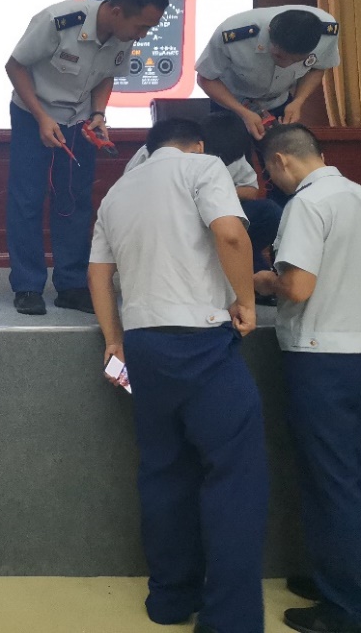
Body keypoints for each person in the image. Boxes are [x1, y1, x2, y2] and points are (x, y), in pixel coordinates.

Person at [89, 118, 268, 633]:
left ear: (149, 148)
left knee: (163, 471)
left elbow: (98, 273)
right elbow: (230, 233)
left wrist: (114, 341)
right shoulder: (203, 167)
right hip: (202, 339)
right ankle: (230, 621)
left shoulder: (118, 192)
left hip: (144, 345)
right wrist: (246, 301)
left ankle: (169, 600)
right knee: (235, 476)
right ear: (197, 144)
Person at [253, 124, 361, 633]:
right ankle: (335, 578)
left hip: (318, 358)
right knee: (344, 475)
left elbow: (298, 287)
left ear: (280, 161)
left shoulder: (307, 203)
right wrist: (348, 279)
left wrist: (265, 280)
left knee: (332, 482)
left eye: (269, 171)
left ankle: (352, 610)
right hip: (360, 355)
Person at [5, 0, 169, 315]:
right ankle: (27, 286)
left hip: (79, 120)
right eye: (141, 27)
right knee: (27, 200)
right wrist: (41, 118)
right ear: (117, 11)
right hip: (33, 114)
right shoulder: (59, 21)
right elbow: (15, 66)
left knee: (74, 201)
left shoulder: (124, 34)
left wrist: (98, 113)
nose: (142, 35)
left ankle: (71, 284)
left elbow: (106, 75)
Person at [125, 112, 281, 274]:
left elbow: (251, 191)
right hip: (164, 218)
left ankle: (237, 262)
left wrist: (217, 193)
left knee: (268, 212)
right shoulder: (153, 152)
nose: (220, 160)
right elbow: (129, 195)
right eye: (216, 155)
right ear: (200, 144)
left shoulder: (232, 151)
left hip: (211, 216)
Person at [195, 6, 340, 141]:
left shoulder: (327, 33)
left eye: (297, 61)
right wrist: (243, 112)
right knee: (228, 155)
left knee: (283, 153)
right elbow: (205, 78)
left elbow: (318, 68)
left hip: (279, 103)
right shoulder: (234, 34)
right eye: (279, 56)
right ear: (269, 33)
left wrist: (298, 101)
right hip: (230, 103)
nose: (286, 65)